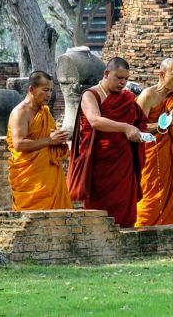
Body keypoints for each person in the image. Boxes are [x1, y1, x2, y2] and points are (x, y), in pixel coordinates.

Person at [68, 57, 147, 227]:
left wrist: (164, 125)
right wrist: (125, 127)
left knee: (125, 205)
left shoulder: (126, 98)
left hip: (123, 161)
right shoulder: (91, 95)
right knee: (99, 208)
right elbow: (95, 120)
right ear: (106, 73)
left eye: (126, 79)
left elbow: (140, 126)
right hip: (100, 162)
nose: (123, 83)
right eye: (119, 78)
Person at [135, 58, 173, 226]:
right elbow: (137, 128)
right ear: (161, 74)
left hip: (172, 153)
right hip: (151, 153)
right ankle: (142, 228)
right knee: (151, 193)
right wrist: (168, 121)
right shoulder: (147, 95)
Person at [6, 71, 72, 210]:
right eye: (45, 90)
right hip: (30, 178)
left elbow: (48, 139)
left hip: (49, 173)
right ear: (32, 89)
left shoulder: (45, 112)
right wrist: (49, 140)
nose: (49, 95)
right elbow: (18, 144)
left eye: (51, 91)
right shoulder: (20, 113)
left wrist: (58, 140)